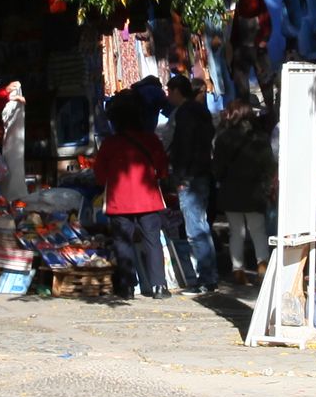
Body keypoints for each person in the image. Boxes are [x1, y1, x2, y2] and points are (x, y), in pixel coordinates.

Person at [94, 94, 174, 298]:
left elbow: (100, 175)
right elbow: (162, 168)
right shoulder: (151, 139)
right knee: (152, 242)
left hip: (119, 201)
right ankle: (159, 287)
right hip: (148, 198)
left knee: (122, 243)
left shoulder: (110, 144)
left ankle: (127, 287)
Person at [163, 73, 219, 292]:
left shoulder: (184, 114)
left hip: (190, 176)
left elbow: (184, 144)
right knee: (201, 226)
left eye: (170, 92)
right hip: (203, 173)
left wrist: (181, 175)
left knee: (195, 228)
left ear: (177, 92)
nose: (168, 97)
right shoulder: (202, 112)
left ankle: (206, 278)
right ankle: (208, 276)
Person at [212, 98, 276, 285]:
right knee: (258, 231)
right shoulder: (260, 137)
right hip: (255, 191)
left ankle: (238, 270)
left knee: (236, 232)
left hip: (231, 191)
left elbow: (217, 167)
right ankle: (262, 266)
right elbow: (269, 165)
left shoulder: (224, 137)